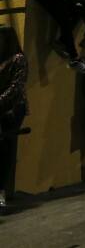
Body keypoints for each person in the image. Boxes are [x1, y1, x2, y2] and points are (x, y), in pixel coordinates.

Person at [0, 27, 28, 209]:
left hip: (12, 109)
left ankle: (2, 190)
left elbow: (16, 87)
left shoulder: (18, 59)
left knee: (5, 149)